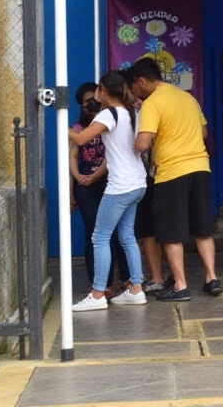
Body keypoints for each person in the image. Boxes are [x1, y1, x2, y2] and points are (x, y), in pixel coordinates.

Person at [127, 57, 222, 300]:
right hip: (200, 167)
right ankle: (211, 278)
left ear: (142, 81)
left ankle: (180, 285)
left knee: (171, 231)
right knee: (202, 228)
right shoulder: (187, 97)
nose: (136, 94)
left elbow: (142, 142)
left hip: (172, 172)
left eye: (135, 89)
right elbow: (203, 132)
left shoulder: (153, 103)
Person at [66, 71, 149, 311]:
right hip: (137, 183)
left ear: (103, 90)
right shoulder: (131, 112)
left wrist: (62, 125)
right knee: (127, 236)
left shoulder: (108, 114)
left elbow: (81, 140)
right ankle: (136, 289)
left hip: (120, 186)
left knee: (99, 236)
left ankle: (98, 293)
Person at [68, 83, 127, 294]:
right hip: (86, 186)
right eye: (87, 103)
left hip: (109, 182)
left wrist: (94, 176)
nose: (92, 105)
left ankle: (126, 279)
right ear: (81, 106)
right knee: (94, 232)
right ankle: (101, 283)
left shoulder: (109, 121)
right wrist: (77, 182)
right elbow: (73, 156)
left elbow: (111, 157)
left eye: (94, 99)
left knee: (118, 232)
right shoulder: (78, 129)